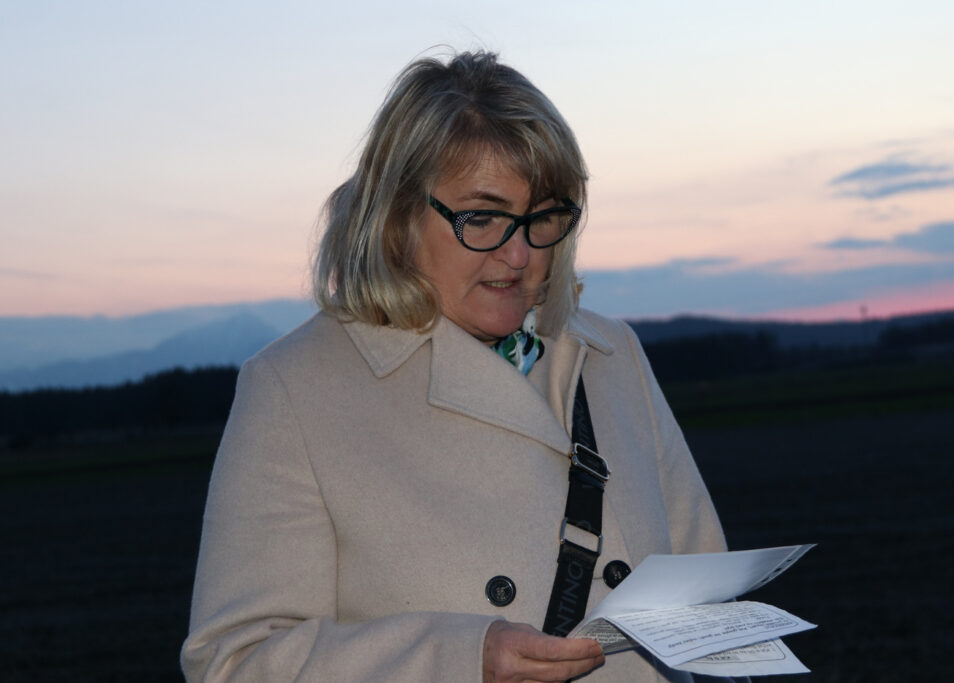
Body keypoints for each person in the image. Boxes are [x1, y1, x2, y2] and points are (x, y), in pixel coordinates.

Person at [181, 50, 731, 682]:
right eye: (483, 218)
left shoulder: (611, 355)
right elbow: (234, 663)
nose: (520, 254)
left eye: (543, 217)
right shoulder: (296, 388)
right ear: (396, 218)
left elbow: (705, 592)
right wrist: (457, 661)